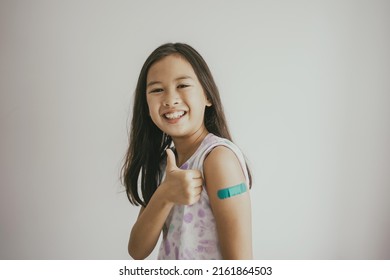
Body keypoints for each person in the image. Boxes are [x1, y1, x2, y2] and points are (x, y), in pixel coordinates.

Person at [122, 43, 252, 260]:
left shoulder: (218, 159)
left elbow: (241, 264)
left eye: (182, 85)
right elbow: (137, 250)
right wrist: (165, 194)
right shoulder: (165, 164)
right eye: (157, 89)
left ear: (207, 96)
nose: (170, 100)